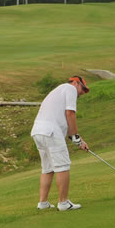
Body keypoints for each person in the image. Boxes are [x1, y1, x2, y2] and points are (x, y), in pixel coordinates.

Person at [31, 75, 90, 211]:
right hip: (51, 132)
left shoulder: (58, 91)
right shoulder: (70, 89)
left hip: (38, 131)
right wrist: (76, 136)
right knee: (63, 166)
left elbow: (65, 122)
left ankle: (43, 203)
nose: (82, 92)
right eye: (83, 88)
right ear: (76, 83)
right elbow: (70, 114)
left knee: (48, 169)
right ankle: (63, 203)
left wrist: (78, 140)